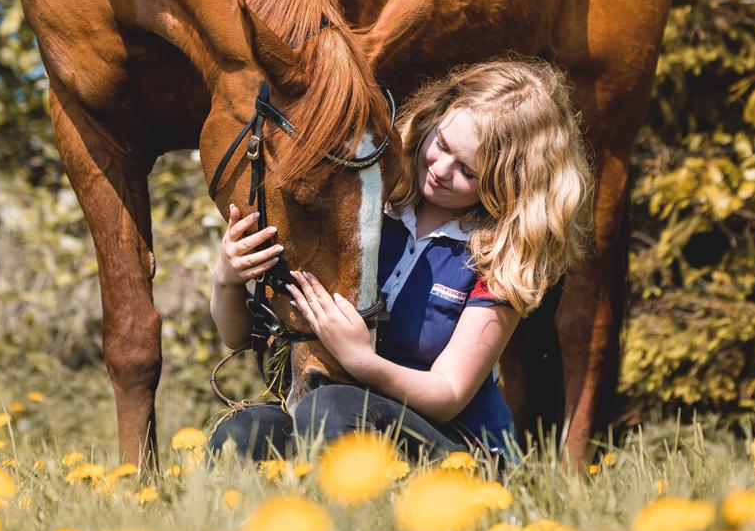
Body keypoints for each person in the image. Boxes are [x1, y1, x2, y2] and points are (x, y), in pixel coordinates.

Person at [206, 56, 595, 468]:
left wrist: (363, 362)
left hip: (456, 449)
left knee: (335, 408)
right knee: (242, 430)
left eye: (467, 170)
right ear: (432, 119)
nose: (441, 169)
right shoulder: (369, 209)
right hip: (340, 421)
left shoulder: (499, 256)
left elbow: (448, 394)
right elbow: (238, 337)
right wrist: (227, 278)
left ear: (510, 183)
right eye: (442, 145)